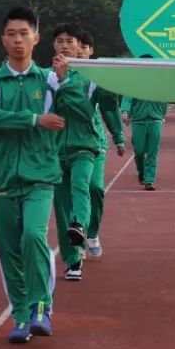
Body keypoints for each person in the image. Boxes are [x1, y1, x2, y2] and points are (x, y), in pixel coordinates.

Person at [0, 7, 65, 344]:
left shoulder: (51, 80)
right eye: (11, 33)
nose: (18, 40)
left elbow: (77, 106)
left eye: (24, 33)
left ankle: (42, 306)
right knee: (10, 250)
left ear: (36, 38)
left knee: (33, 236)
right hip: (2, 176)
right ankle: (20, 315)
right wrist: (34, 119)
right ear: (3, 39)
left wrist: (70, 76)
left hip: (41, 172)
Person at [49, 23, 121, 282]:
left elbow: (89, 109)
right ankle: (73, 260)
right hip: (56, 150)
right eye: (59, 41)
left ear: (80, 46)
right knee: (61, 205)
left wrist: (110, 85)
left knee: (85, 187)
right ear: (53, 45)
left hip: (85, 146)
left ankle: (82, 226)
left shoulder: (91, 78)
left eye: (70, 41)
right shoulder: (47, 77)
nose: (65, 45)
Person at [77, 32, 125, 259]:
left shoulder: (97, 80)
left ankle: (92, 232)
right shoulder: (55, 77)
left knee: (95, 188)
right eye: (72, 43)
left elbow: (108, 108)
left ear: (91, 51)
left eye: (83, 45)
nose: (78, 49)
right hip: (66, 144)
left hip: (94, 142)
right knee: (74, 192)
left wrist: (118, 136)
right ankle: (77, 236)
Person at [121, 58, 167, 191]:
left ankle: (149, 180)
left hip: (155, 120)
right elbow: (127, 99)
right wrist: (125, 112)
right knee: (139, 151)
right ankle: (141, 171)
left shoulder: (159, 83)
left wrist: (162, 115)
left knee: (153, 152)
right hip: (138, 121)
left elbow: (163, 99)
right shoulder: (134, 82)